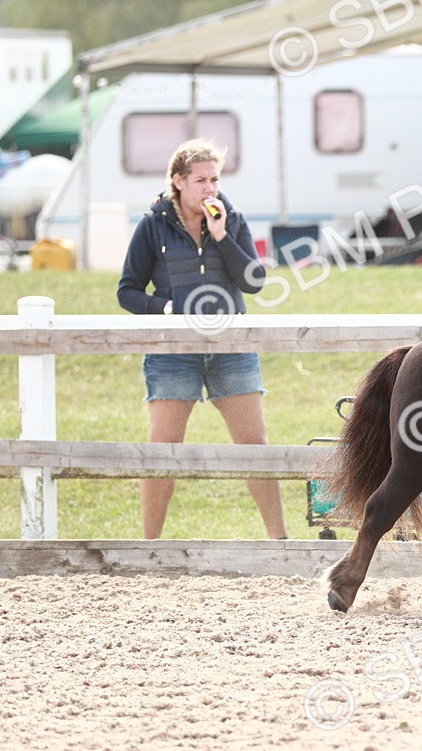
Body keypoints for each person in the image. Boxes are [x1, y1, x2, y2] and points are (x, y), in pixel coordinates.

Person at [117, 138, 286, 540]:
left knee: (254, 448)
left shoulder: (232, 219)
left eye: (214, 179)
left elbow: (255, 283)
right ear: (178, 181)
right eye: (200, 180)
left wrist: (222, 235)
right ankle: (149, 546)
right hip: (174, 352)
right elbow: (128, 290)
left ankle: (280, 542)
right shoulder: (153, 224)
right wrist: (167, 310)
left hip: (231, 350)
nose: (210, 188)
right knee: (163, 452)